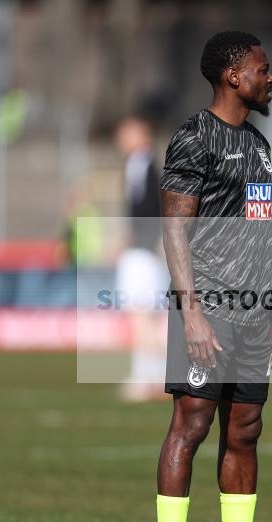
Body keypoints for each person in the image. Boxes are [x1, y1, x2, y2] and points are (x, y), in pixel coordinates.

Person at [152, 31, 272, 522]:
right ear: (234, 76)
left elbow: (259, 237)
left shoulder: (260, 146)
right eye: (264, 69)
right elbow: (175, 231)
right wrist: (191, 313)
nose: (271, 77)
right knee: (190, 425)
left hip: (252, 312)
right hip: (206, 308)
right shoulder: (194, 139)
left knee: (246, 429)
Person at [114, 115, 168, 402]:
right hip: (140, 250)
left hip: (144, 253)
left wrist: (143, 241)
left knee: (141, 315)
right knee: (143, 316)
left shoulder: (149, 168)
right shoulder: (134, 167)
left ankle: (147, 376)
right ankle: (152, 375)